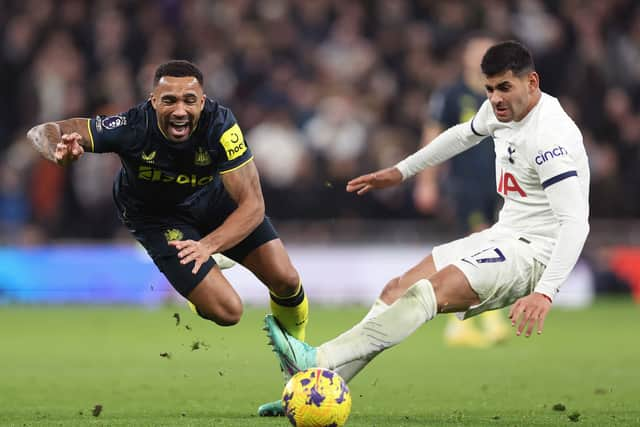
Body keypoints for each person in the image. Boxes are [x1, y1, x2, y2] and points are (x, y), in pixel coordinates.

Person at [263, 41, 590, 386]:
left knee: (426, 292)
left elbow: (575, 223)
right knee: (396, 290)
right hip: (502, 234)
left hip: (533, 253)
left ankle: (318, 359)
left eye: (504, 88)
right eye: (490, 89)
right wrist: (401, 171)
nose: (495, 99)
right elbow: (462, 135)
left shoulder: (549, 139)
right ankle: (313, 387)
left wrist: (545, 291)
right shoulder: (500, 112)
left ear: (532, 82)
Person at [26, 60, 306, 416]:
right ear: (153, 101)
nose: (180, 110)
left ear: (203, 102)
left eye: (189, 100)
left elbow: (253, 206)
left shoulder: (221, 124)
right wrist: (56, 151)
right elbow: (43, 131)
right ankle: (200, 294)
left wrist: (207, 246)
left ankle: (298, 369)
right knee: (228, 312)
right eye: (169, 100)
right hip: (157, 218)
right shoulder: (130, 126)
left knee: (286, 279)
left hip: (213, 203)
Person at [416, 35, 509, 348]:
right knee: (481, 244)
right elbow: (434, 136)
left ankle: (460, 326)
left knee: (494, 246)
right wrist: (426, 181)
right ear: (466, 58)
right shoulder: (452, 94)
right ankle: (487, 320)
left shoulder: (507, 95)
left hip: (501, 183)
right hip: (464, 182)